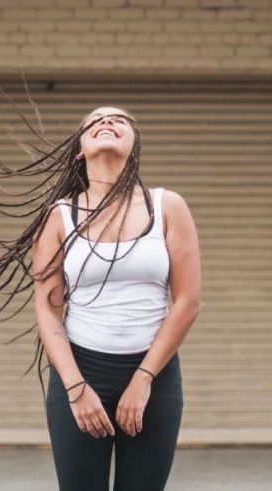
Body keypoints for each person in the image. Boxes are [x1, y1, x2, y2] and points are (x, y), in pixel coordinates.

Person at [31, 106, 202, 491]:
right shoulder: (58, 217)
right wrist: (75, 387)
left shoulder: (167, 207)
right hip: (80, 372)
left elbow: (188, 300)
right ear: (79, 148)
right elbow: (47, 309)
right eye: (95, 120)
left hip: (154, 375)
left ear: (134, 144)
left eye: (119, 120)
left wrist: (143, 379)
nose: (107, 122)